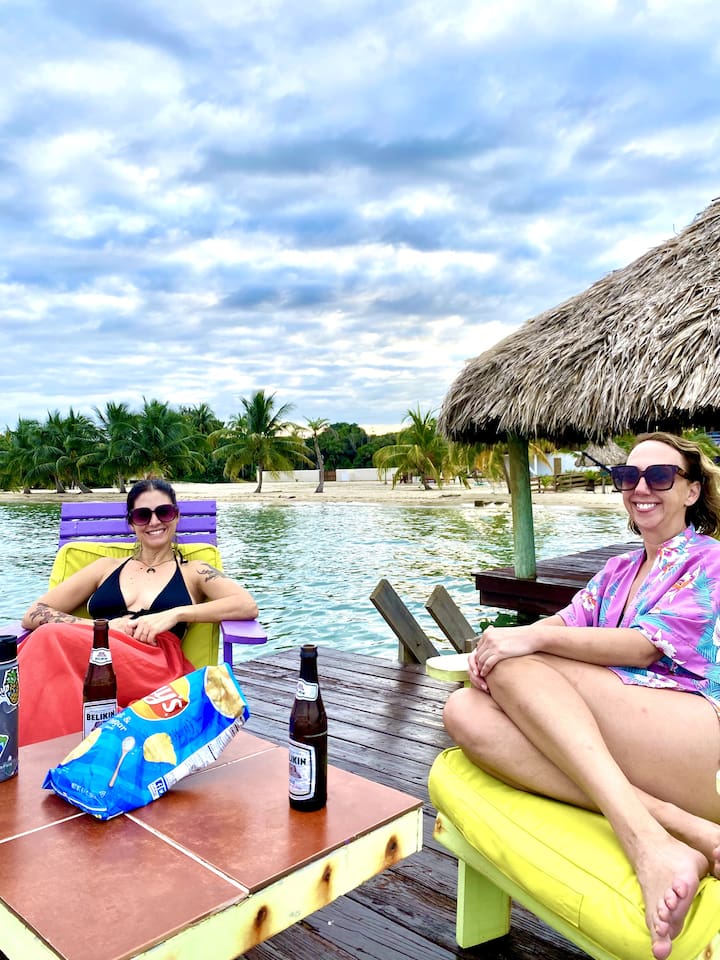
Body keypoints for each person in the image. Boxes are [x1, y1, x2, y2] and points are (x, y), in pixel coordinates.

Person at [443, 432, 720, 960]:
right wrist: (503, 645)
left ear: (690, 491)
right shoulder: (619, 571)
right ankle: (678, 827)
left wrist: (528, 639)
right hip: (631, 743)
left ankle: (646, 842)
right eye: (627, 477)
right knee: (464, 709)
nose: (641, 488)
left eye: (660, 476)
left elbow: (642, 648)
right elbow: (566, 621)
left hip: (699, 739)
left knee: (519, 661)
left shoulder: (708, 560)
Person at [19, 478, 259, 746]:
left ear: (176, 516)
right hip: (95, 653)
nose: (154, 522)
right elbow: (34, 613)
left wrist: (175, 614)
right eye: (143, 515)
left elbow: (245, 605)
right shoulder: (105, 567)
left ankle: (27, 750)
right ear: (132, 522)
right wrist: (104, 628)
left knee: (46, 640)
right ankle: (58, 751)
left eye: (164, 512)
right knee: (46, 652)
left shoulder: (194, 571)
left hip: (152, 661)